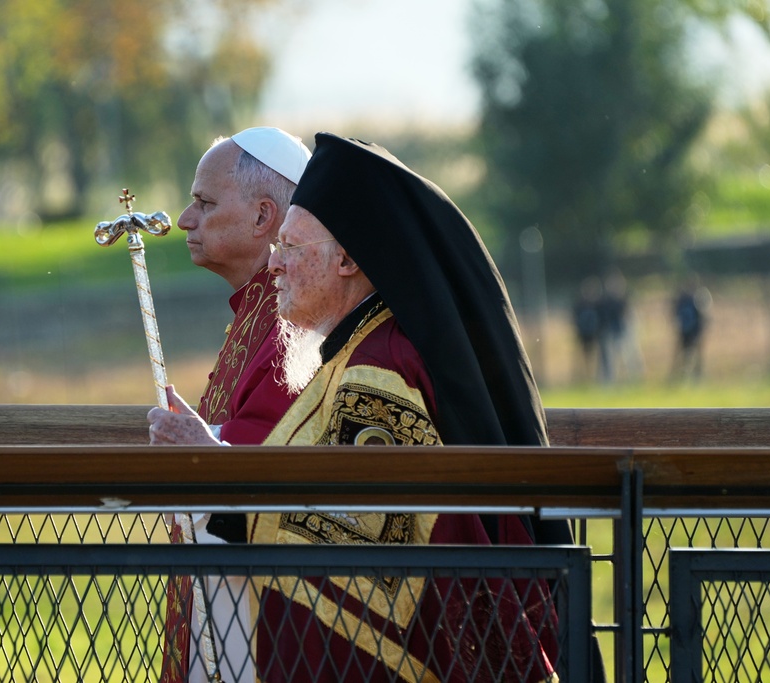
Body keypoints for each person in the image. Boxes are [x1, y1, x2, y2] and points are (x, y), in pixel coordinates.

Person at [149, 133, 575, 682]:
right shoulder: (358, 347)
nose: (274, 267)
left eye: (291, 249)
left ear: (346, 258)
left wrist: (220, 481)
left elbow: (373, 532)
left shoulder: (378, 370)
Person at [161, 127, 311, 683]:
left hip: (265, 617)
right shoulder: (256, 309)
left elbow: (281, 448)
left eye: (204, 203)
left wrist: (205, 444)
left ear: (262, 217)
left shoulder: (295, 321)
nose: (184, 219)